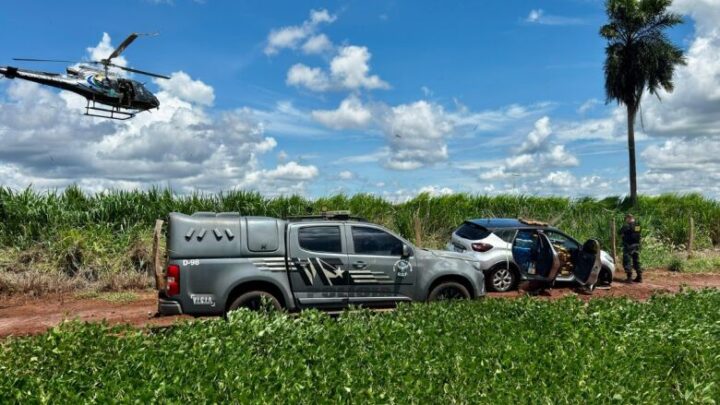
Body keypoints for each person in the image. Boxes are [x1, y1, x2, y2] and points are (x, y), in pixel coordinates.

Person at [620, 214, 642, 283]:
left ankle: (629, 278)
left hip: (628, 246)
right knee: (636, 261)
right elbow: (637, 234)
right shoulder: (638, 226)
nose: (626, 220)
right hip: (636, 245)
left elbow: (620, 232)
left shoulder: (626, 226)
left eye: (626, 219)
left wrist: (624, 235)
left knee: (627, 261)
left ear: (629, 218)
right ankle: (639, 277)